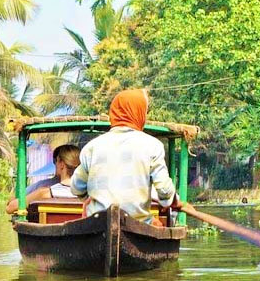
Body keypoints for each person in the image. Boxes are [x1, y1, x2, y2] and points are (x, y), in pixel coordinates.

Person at [70, 89, 181, 226]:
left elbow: (76, 187)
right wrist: (170, 200)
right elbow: (164, 190)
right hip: (137, 226)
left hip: (97, 224)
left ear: (114, 113)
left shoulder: (92, 147)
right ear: (139, 113)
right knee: (156, 224)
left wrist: (88, 198)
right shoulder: (152, 146)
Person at [6, 145, 80, 214]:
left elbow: (10, 208)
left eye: (56, 161)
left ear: (61, 164)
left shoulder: (44, 193)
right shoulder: (89, 193)